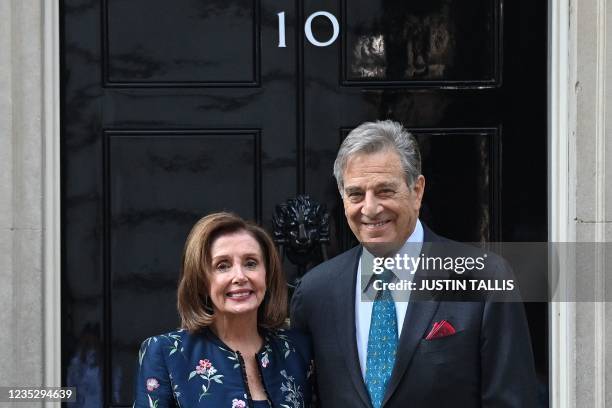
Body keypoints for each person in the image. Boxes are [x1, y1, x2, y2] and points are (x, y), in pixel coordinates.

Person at [291, 120, 538, 407]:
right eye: (356, 194)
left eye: (385, 191)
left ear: (417, 191)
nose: (369, 208)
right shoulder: (315, 292)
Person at [135, 212, 314, 408]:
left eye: (251, 263)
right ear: (201, 282)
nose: (240, 276)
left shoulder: (297, 350)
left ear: (267, 274)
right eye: (223, 266)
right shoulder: (166, 353)